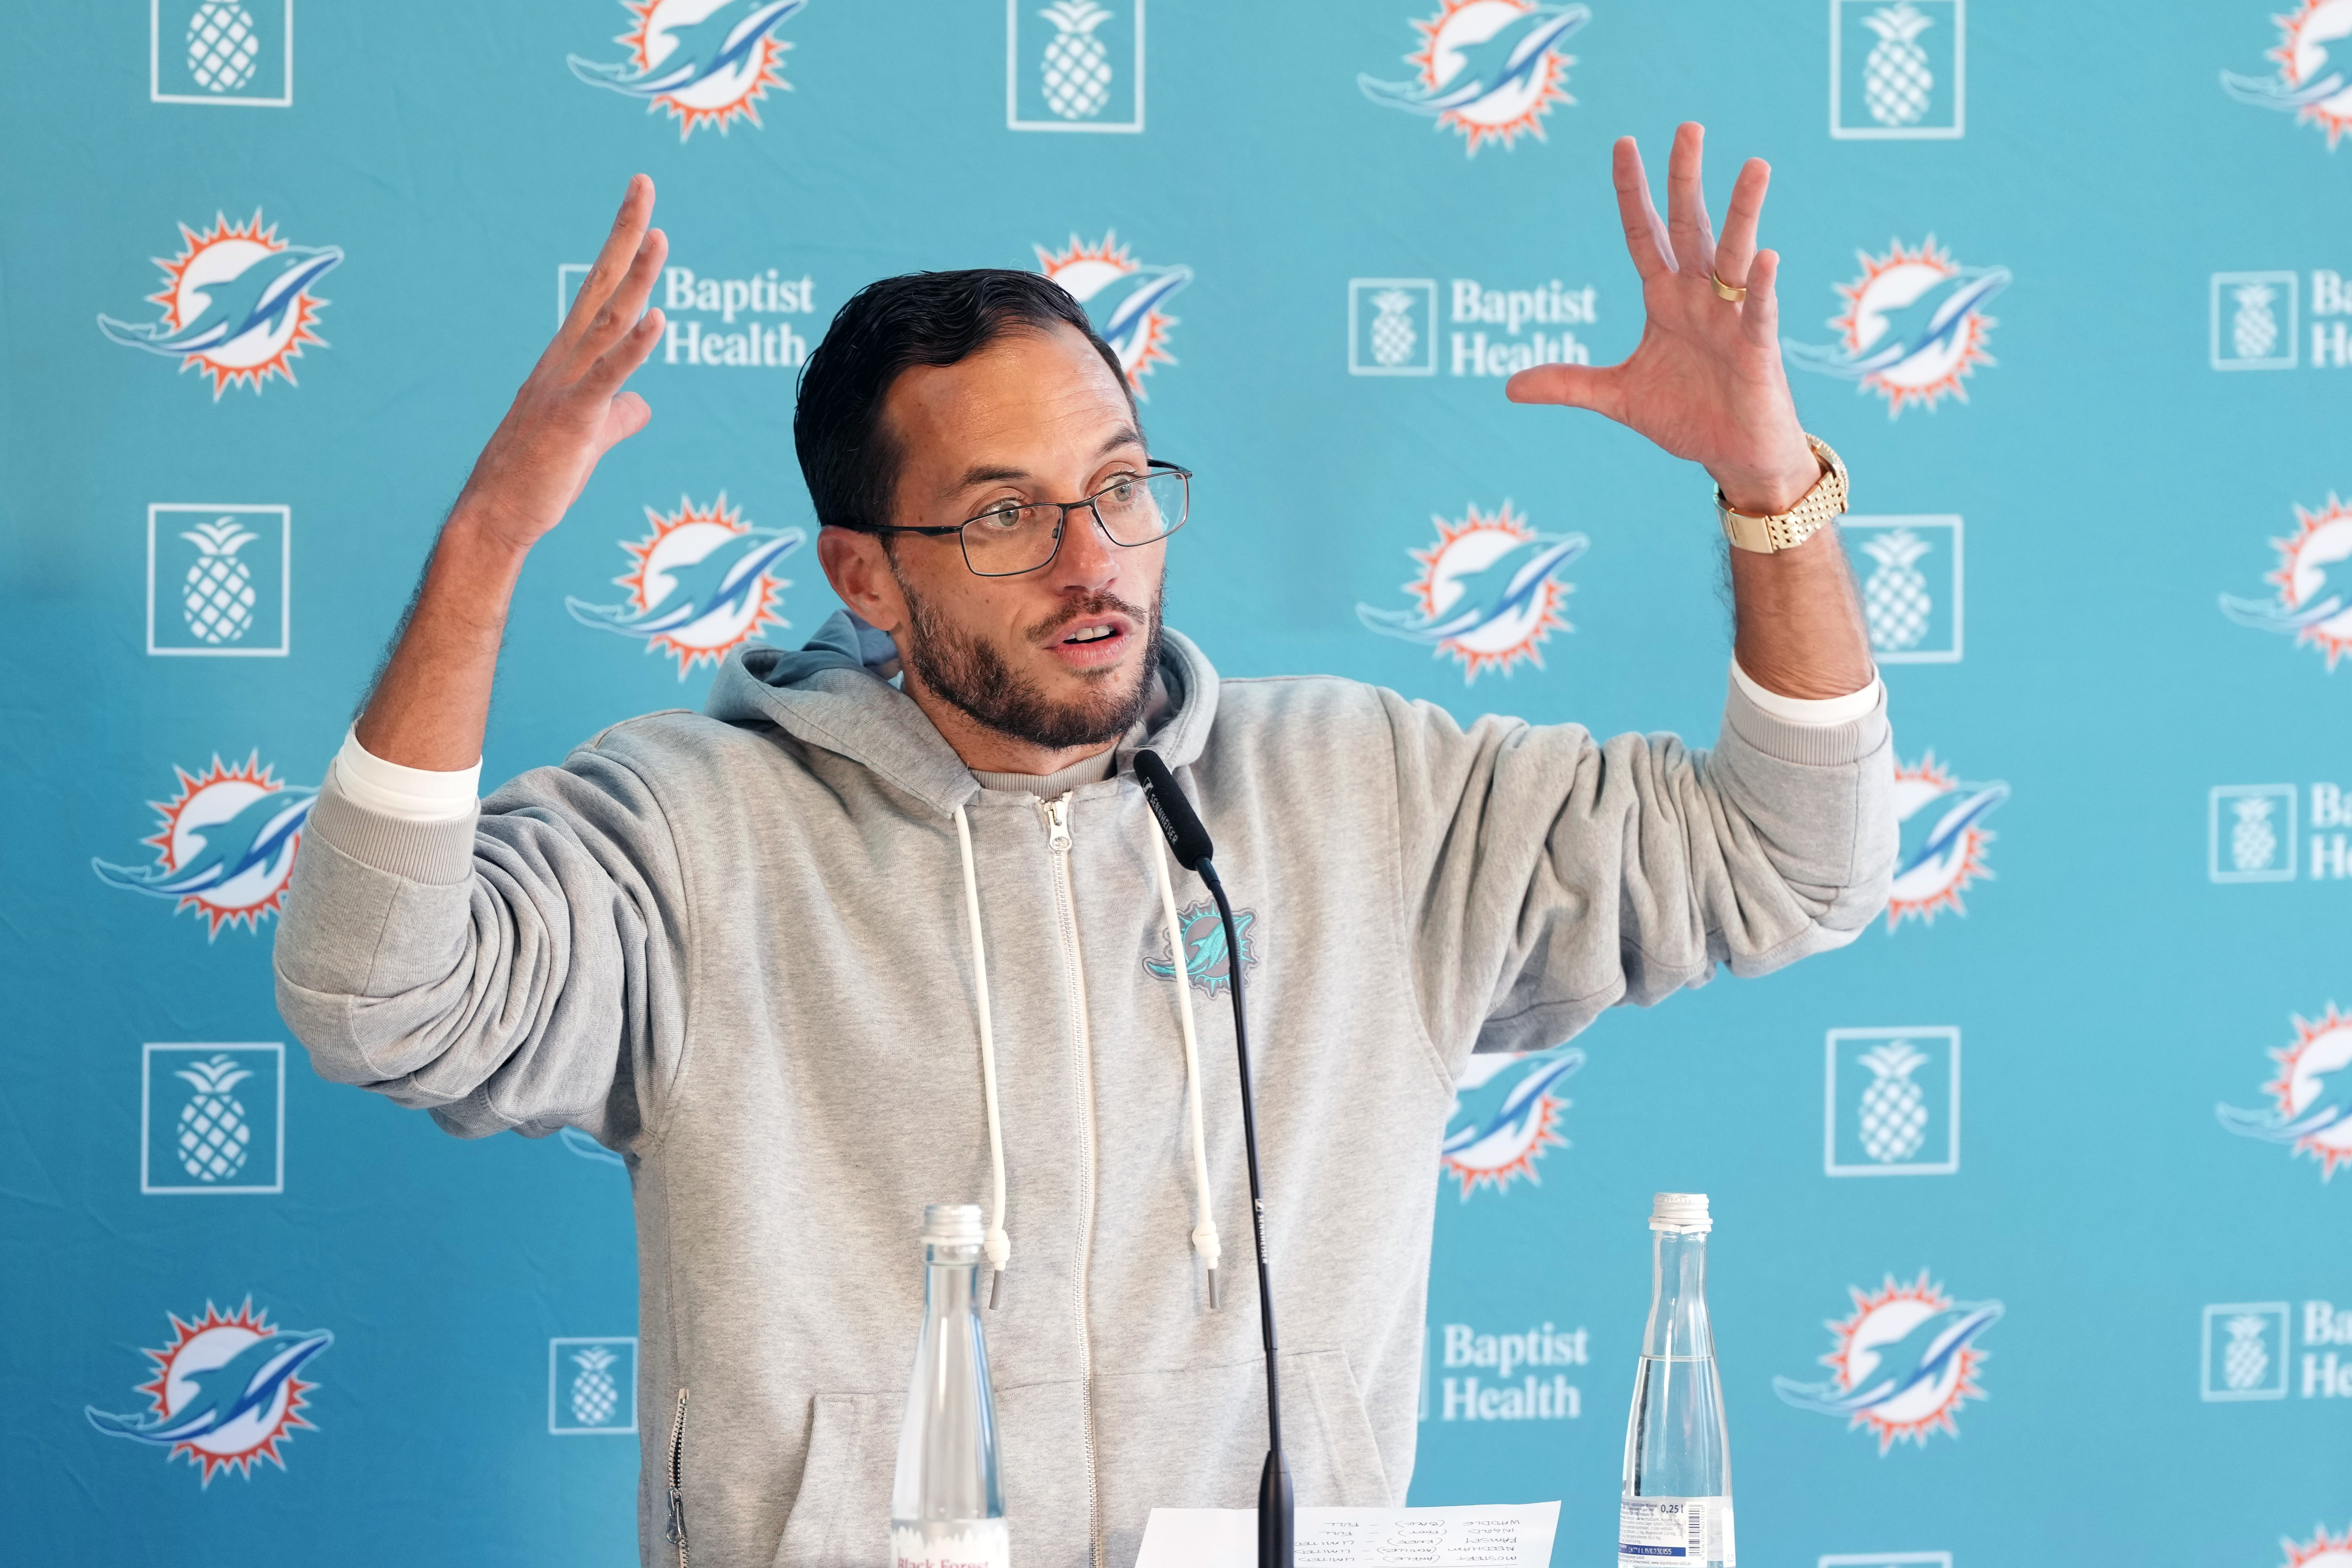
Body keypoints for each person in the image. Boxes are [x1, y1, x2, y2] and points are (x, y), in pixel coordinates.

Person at [274, 123, 1894, 1568]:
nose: (1089, 556)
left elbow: (1798, 859)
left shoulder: (1371, 792)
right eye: (1001, 513)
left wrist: (1771, 487)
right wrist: (484, 553)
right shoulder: (695, 832)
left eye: (1119, 486)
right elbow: (378, 994)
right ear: (868, 571)